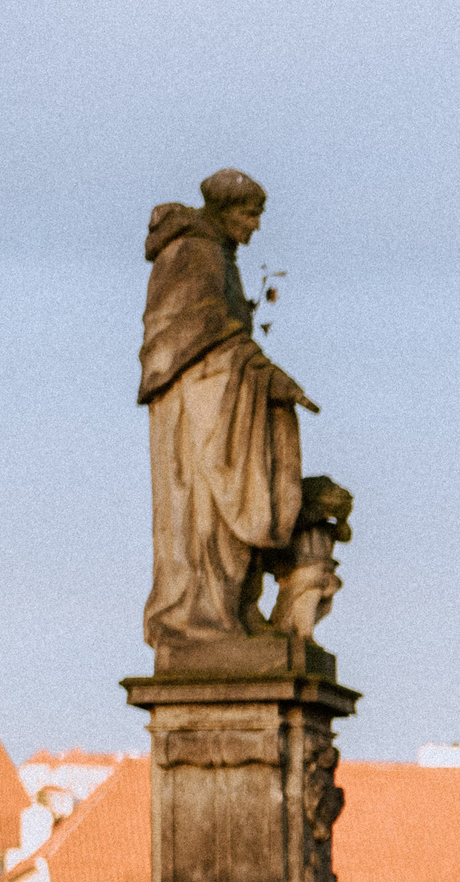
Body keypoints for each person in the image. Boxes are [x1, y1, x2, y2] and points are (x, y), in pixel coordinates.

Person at [139, 169, 318, 647]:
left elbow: (221, 333)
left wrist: (261, 373)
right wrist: (264, 373)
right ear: (223, 211)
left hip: (219, 395)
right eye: (249, 214)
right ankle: (201, 618)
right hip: (196, 408)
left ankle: (231, 608)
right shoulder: (195, 251)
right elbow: (195, 334)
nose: (255, 226)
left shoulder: (218, 254)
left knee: (222, 517)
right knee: (202, 515)